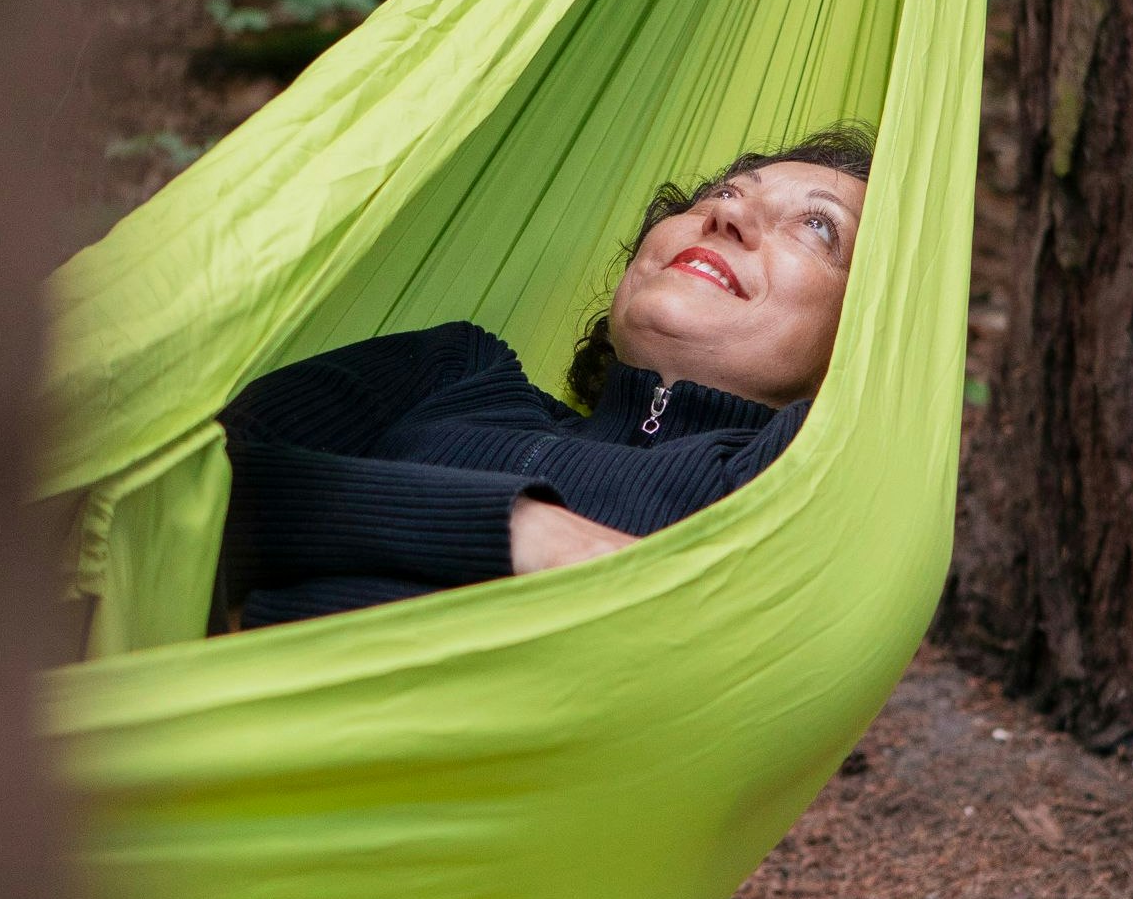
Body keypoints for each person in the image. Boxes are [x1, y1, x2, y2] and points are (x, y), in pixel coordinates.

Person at [212, 123, 872, 630]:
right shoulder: (458, 369)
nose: (727, 216)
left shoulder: (791, 474)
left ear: (862, 329)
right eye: (724, 192)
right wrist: (524, 531)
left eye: (818, 227)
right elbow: (193, 482)